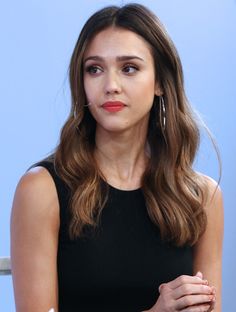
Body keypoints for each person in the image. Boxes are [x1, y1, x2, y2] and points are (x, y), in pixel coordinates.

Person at [10, 3, 224, 312]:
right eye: (94, 69)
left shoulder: (203, 197)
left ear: (161, 83)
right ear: (81, 84)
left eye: (129, 68)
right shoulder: (41, 191)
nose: (110, 86)